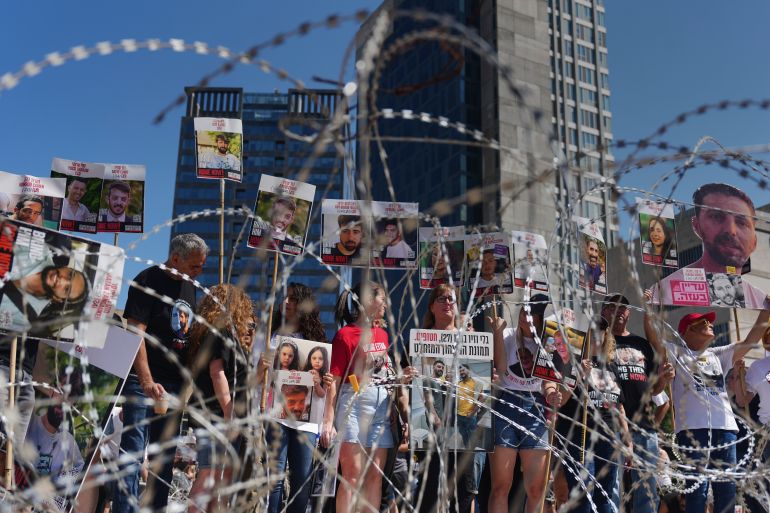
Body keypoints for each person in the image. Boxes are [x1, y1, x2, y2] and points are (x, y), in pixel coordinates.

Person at [112, 233, 208, 513]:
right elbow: (135, 333)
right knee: (132, 453)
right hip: (142, 380)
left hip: (174, 386)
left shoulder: (190, 289)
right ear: (176, 259)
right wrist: (146, 380)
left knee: (164, 458)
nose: (199, 272)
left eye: (201, 266)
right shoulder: (147, 280)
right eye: (194, 266)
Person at [648, 304, 770, 513]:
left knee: (727, 492)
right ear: (688, 331)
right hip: (693, 432)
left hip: (726, 431)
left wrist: (766, 310)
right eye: (703, 322)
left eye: (710, 321)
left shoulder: (718, 354)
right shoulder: (677, 352)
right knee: (698, 492)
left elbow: (750, 340)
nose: (710, 324)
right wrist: (648, 307)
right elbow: (653, 337)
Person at [320, 282, 411, 513]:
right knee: (351, 476)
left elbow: (385, 375)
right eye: (382, 299)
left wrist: (401, 379)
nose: (386, 304)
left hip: (380, 410)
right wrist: (328, 422)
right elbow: (335, 382)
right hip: (352, 408)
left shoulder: (382, 333)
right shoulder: (345, 336)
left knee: (375, 477)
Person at [600, 293, 675, 513]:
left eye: (623, 308)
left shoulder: (641, 344)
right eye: (612, 307)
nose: (619, 311)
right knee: (612, 485)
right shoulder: (600, 342)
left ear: (629, 313)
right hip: (612, 423)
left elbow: (655, 390)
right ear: (603, 312)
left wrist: (663, 378)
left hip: (644, 424)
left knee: (647, 488)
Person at [264, 283, 331, 513]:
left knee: (302, 479)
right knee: (275, 477)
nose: (287, 302)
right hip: (276, 415)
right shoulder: (271, 336)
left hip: (306, 419)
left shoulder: (317, 341)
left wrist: (325, 381)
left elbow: (323, 389)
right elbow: (258, 378)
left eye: (293, 299)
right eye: (285, 298)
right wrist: (263, 366)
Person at [187, 284, 253, 513]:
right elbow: (217, 372)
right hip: (217, 414)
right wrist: (228, 411)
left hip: (216, 414)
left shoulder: (213, 331)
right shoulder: (219, 332)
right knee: (209, 475)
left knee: (217, 479)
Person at [557, 320, 634, 513]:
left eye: (602, 330)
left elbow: (619, 407)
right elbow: (561, 399)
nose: (598, 334)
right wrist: (578, 375)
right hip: (579, 435)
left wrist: (627, 439)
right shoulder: (571, 363)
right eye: (593, 331)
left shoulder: (611, 366)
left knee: (605, 495)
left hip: (609, 436)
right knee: (583, 493)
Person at [651, 183, 768, 308]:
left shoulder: (761, 300)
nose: (731, 230)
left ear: (754, 241)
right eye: (717, 217)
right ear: (697, 226)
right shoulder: (664, 290)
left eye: (742, 222)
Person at [487, 294, 552, 513]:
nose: (526, 316)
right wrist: (497, 332)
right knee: (501, 486)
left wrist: (553, 394)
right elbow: (502, 368)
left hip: (535, 406)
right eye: (524, 310)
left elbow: (549, 383)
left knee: (536, 489)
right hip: (507, 401)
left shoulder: (548, 343)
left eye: (532, 312)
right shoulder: (506, 335)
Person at [417, 284, 479, 513]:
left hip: (463, 425)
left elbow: (479, 380)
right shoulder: (419, 340)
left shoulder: (470, 340)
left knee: (464, 491)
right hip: (431, 428)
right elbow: (416, 388)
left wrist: (488, 373)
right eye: (442, 298)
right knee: (430, 489)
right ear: (432, 306)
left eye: (452, 299)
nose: (448, 303)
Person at [456, 364, 482, 449]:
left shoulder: (476, 383)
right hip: (459, 415)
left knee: (472, 434)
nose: (461, 372)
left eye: (463, 370)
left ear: (469, 370)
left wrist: (473, 413)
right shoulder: (458, 383)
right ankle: (467, 447)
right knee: (462, 432)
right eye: (460, 371)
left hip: (470, 416)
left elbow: (481, 400)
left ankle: (472, 450)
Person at [303, 346, 330, 425]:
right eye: (314, 358)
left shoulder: (325, 376)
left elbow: (322, 394)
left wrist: (317, 385)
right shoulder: (305, 372)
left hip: (316, 410)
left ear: (324, 361)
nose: (317, 361)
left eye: (320, 359)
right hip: (304, 407)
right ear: (309, 360)